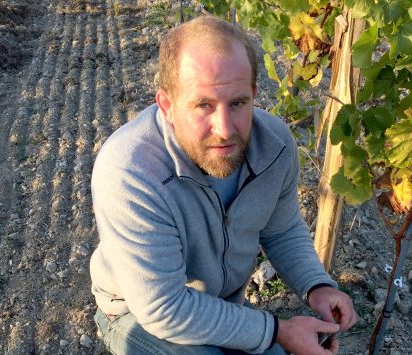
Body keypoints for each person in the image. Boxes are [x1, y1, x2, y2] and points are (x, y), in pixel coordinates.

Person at [90, 15, 357, 355]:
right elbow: (163, 308)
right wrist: (278, 330)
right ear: (168, 106)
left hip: (216, 305)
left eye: (237, 103)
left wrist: (316, 286)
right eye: (203, 105)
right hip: (136, 313)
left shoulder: (274, 145)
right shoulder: (130, 171)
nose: (225, 128)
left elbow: (282, 228)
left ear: (253, 94)